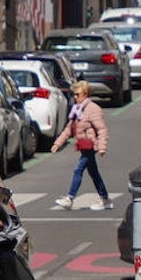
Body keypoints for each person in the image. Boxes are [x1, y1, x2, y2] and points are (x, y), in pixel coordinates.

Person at [50, 81, 112, 211]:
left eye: (78, 94)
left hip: (90, 146)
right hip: (83, 146)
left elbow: (101, 130)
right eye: (74, 95)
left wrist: (102, 147)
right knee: (94, 173)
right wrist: (57, 143)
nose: (75, 97)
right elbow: (69, 129)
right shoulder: (76, 110)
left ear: (85, 94)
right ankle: (105, 199)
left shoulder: (93, 109)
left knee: (78, 170)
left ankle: (70, 198)